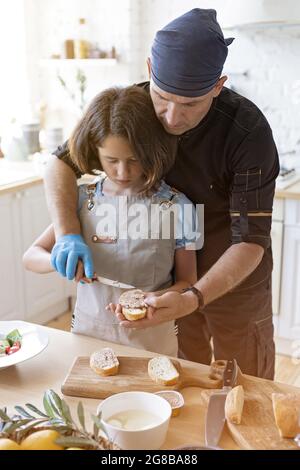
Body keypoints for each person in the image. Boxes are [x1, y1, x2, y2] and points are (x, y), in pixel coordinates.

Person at [44, 9, 279, 379]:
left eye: (190, 104)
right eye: (163, 98)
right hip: (168, 281)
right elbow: (60, 163)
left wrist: (195, 296)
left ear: (218, 86)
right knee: (182, 374)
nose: (171, 118)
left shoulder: (247, 131)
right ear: (151, 69)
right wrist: (67, 233)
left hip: (233, 279)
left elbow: (251, 240)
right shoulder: (132, 108)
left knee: (245, 380)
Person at [23, 86, 199, 356]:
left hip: (152, 339)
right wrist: (58, 260)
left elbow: (188, 281)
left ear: (152, 150)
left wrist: (157, 300)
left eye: (133, 160)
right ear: (95, 152)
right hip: (89, 333)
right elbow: (30, 257)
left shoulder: (182, 207)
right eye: (111, 160)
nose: (122, 171)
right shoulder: (81, 200)